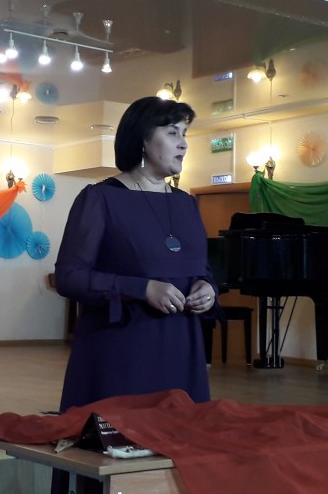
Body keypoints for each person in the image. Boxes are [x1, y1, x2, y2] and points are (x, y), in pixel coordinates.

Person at [54, 95, 218, 413]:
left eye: (185, 134)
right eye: (172, 132)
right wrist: (142, 289)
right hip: (122, 351)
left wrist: (208, 287)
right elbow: (69, 277)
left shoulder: (187, 203)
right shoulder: (100, 198)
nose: (183, 144)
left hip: (181, 349)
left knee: (179, 437)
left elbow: (201, 268)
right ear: (142, 139)